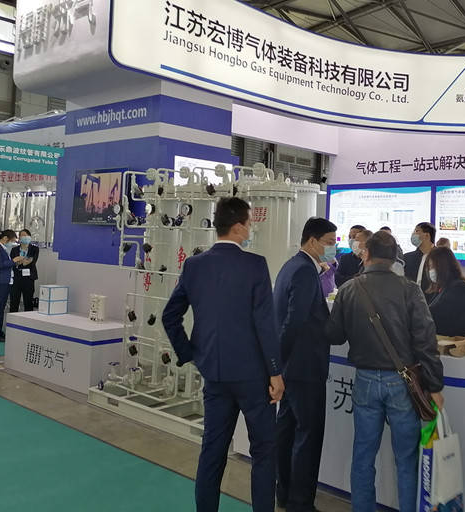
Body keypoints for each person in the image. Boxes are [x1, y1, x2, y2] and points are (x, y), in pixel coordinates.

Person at [162, 197, 283, 512]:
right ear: (239, 226)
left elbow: (169, 316)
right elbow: (265, 323)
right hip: (254, 377)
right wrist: (275, 371)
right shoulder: (255, 265)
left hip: (214, 374)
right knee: (264, 452)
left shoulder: (194, 265)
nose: (251, 229)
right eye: (249, 223)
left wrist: (190, 353)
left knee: (212, 452)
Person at [326, 231, 444, 512]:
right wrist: (435, 386)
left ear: (366, 254)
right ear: (394, 259)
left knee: (363, 455)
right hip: (402, 382)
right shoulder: (410, 289)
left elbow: (335, 335)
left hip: (365, 380)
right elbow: (425, 339)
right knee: (406, 459)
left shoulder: (349, 289)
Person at [274, 217, 337, 512]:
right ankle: (300, 503)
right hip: (305, 367)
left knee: (287, 432)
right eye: (329, 242)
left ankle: (285, 494)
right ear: (312, 241)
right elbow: (294, 321)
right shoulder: (303, 271)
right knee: (308, 436)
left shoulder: (292, 266)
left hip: (292, 367)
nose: (333, 248)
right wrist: (279, 360)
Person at [426, 246, 465, 336]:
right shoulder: (442, 289)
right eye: (430, 267)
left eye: (432, 266)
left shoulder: (461, 288)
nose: (430, 271)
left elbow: (440, 314)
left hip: (457, 342)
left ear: (443, 267)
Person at [403, 222, 436, 296]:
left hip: (433, 299)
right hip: (411, 300)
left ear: (427, 235)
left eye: (417, 231)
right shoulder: (407, 257)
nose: (413, 234)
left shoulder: (440, 257)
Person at [10, 229, 39, 312]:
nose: (25, 237)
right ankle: (13, 318)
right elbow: (13, 262)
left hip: (29, 277)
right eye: (22, 235)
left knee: (28, 301)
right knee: (14, 301)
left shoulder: (34, 249)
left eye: (26, 235)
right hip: (16, 277)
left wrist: (19, 261)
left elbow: (31, 261)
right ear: (19, 238)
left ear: (30, 237)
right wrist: (23, 261)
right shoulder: (14, 249)